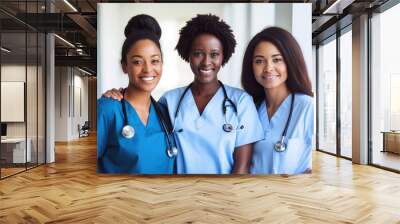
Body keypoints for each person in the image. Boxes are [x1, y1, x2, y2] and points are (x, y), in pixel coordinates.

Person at [104, 14, 264, 174]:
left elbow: (242, 168)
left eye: (214, 54)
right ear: (188, 55)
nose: (206, 62)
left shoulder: (241, 102)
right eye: (198, 53)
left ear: (223, 57)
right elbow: (140, 110)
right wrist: (120, 93)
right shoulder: (170, 101)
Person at [97, 14, 175, 174]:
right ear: (124, 66)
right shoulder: (107, 109)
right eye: (137, 62)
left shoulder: (165, 112)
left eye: (154, 61)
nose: (148, 69)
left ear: (162, 64)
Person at [241, 27, 314, 175]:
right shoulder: (249, 109)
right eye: (259, 61)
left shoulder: (307, 106)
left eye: (277, 59)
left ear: (291, 62)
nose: (268, 68)